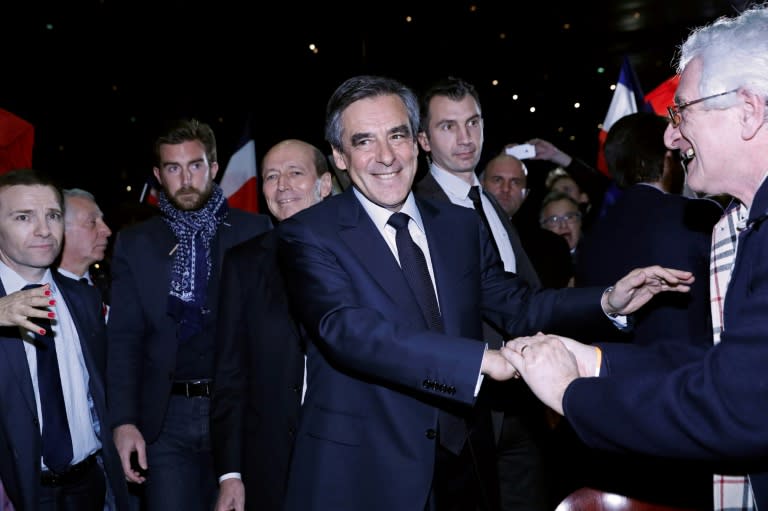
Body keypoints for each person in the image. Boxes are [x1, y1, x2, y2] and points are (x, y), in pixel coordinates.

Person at [276, 74, 693, 511]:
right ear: (340, 157)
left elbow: (519, 305)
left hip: (465, 464)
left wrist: (608, 300)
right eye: (364, 141)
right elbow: (349, 332)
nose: (386, 157)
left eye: (396, 135)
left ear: (417, 141)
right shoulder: (309, 233)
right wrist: (480, 361)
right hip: (362, 470)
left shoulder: (457, 225)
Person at [501, 6, 768, 510]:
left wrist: (573, 396)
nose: (670, 137)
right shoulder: (746, 222)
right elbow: (730, 368)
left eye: (681, 112)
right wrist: (595, 361)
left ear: (749, 111)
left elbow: (737, 407)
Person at [106, 118, 273, 511]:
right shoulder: (135, 244)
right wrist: (124, 421)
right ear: (158, 174)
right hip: (165, 420)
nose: (185, 178)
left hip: (237, 411)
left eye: (195, 166)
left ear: (213, 169)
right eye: (173, 168)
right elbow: (124, 339)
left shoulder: (255, 231)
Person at [412, 76, 548, 511]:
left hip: (524, 399)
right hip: (464, 409)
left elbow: (526, 293)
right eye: (448, 126)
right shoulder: (416, 209)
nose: (465, 137)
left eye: (472, 122)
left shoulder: (487, 200)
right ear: (424, 139)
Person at [211, 139, 333, 511]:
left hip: (348, 455)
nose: (282, 185)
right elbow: (230, 374)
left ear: (324, 185)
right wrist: (230, 474)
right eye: (271, 176)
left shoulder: (364, 255)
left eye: (295, 173)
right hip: (270, 464)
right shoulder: (242, 264)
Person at [0, 169, 129, 511]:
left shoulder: (83, 298)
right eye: (23, 217)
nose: (44, 230)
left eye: (53, 216)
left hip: (89, 486)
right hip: (16, 494)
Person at [480, 153, 573, 289]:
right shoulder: (459, 234)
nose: (506, 189)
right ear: (481, 186)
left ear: (526, 194)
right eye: (497, 179)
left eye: (515, 182)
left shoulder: (552, 247)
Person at [56, 188, 112, 317]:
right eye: (92, 222)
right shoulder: (39, 294)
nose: (107, 230)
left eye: (102, 221)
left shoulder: (113, 284)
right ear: (60, 230)